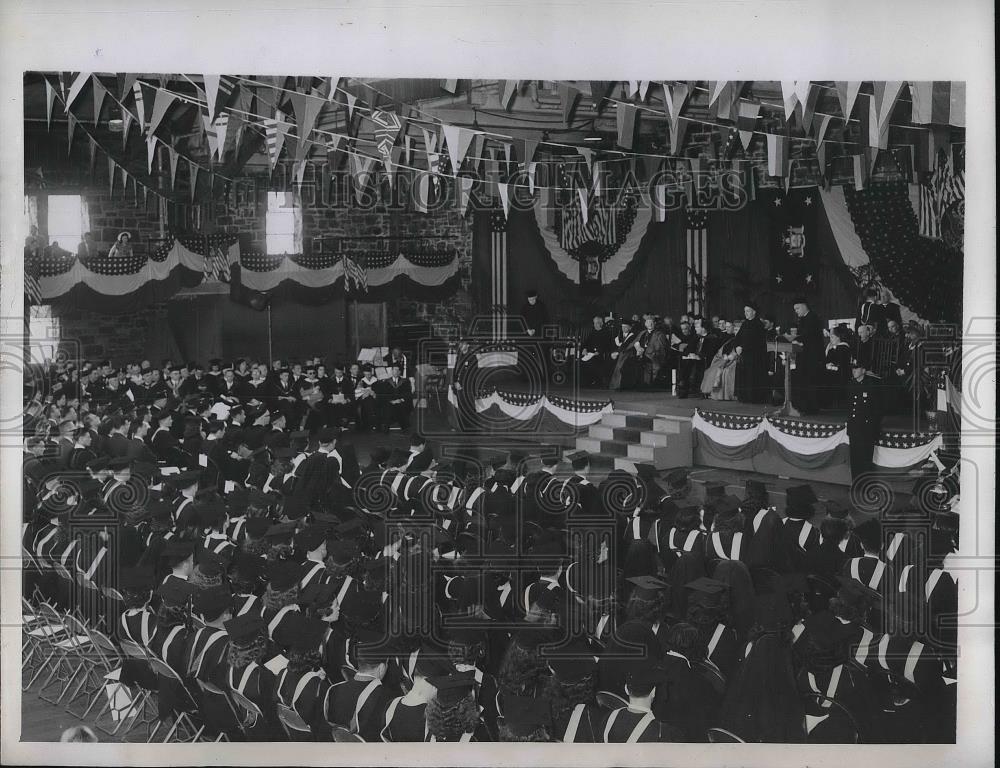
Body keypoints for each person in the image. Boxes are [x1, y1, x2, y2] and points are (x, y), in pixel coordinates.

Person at [845, 358, 883, 483]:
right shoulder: (851, 384)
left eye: (856, 368)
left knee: (866, 459)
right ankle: (855, 483)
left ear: (863, 370)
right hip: (854, 428)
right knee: (855, 458)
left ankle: (866, 486)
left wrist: (875, 430)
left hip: (867, 429)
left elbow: (877, 410)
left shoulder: (871, 385)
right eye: (852, 368)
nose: (853, 371)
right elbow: (849, 407)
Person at [790, 299, 825, 415]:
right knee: (803, 380)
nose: (796, 311)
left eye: (797, 308)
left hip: (812, 355)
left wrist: (798, 340)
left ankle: (810, 407)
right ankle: (804, 406)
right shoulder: (803, 319)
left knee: (810, 380)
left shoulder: (813, 318)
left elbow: (811, 337)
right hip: (804, 354)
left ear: (804, 306)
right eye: (795, 309)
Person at [733, 303, 768, 404]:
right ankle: (743, 397)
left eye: (748, 311)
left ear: (754, 312)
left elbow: (756, 342)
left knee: (752, 377)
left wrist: (743, 347)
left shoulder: (759, 325)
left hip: (754, 356)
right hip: (744, 354)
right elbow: (738, 338)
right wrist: (737, 347)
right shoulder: (745, 324)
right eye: (745, 311)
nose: (746, 313)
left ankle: (753, 398)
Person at [607, 318, 642, 391]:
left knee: (621, 365)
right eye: (622, 327)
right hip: (618, 354)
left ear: (630, 327)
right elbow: (614, 346)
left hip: (628, 354)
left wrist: (617, 352)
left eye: (626, 327)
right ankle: (610, 384)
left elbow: (627, 346)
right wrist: (613, 353)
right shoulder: (618, 335)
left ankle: (618, 385)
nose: (624, 328)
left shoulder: (632, 336)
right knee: (609, 361)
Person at [579, 315, 613, 387]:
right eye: (594, 323)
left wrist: (599, 351)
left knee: (592, 361)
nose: (594, 325)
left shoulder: (606, 333)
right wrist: (584, 349)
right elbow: (586, 343)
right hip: (590, 353)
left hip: (600, 355)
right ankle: (585, 382)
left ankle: (596, 381)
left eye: (596, 323)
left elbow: (608, 345)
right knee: (581, 360)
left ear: (601, 323)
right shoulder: (593, 332)